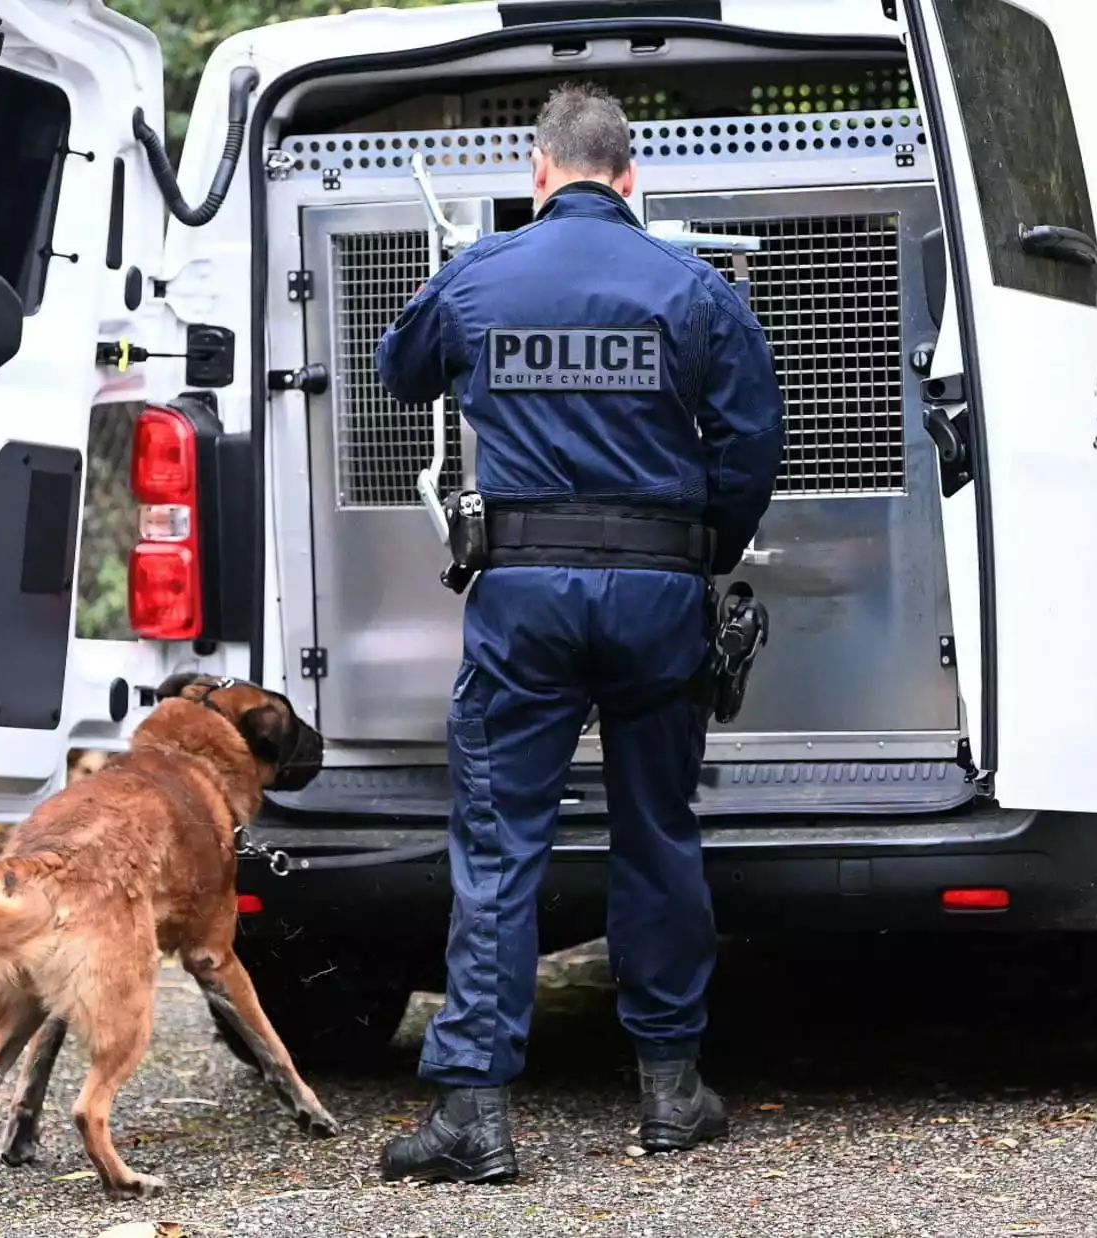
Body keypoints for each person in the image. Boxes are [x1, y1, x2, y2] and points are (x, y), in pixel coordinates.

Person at [372, 82, 785, 1185]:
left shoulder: (481, 271)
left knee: (503, 842)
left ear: (539, 171)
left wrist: (462, 294)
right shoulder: (694, 288)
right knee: (657, 828)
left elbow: (396, 367)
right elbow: (753, 443)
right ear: (631, 177)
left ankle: (474, 1113)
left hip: (524, 603)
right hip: (658, 596)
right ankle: (668, 1092)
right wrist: (705, 550)